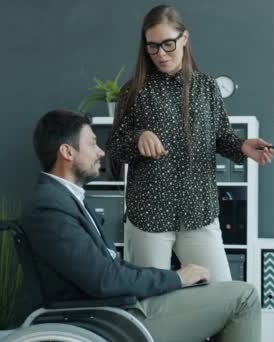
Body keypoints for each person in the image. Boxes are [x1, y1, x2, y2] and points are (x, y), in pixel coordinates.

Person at [23, 109, 260, 342]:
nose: (101, 151)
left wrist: (173, 278)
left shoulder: (66, 198)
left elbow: (112, 267)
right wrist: (177, 279)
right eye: (92, 144)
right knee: (244, 297)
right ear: (67, 152)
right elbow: (104, 279)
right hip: (112, 319)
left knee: (220, 293)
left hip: (122, 307)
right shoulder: (50, 207)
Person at [106, 5, 274, 281]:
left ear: (184, 38)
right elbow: (114, 147)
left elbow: (221, 136)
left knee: (222, 294)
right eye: (152, 47)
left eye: (168, 44)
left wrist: (242, 146)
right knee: (150, 304)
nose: (161, 54)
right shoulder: (134, 90)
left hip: (199, 211)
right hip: (149, 214)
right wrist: (139, 138)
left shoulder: (206, 87)